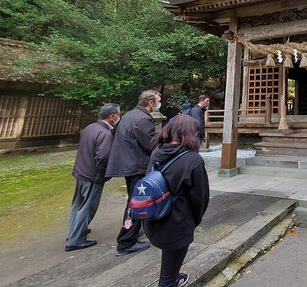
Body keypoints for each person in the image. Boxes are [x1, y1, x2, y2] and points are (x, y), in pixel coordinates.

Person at [144, 114, 210, 287]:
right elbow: (200, 198)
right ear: (190, 133)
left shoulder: (156, 153)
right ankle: (170, 281)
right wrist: (194, 221)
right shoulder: (193, 160)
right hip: (177, 222)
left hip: (154, 217)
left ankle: (173, 276)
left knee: (170, 262)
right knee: (167, 277)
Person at [106, 90, 161, 256]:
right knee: (137, 202)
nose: (159, 104)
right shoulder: (142, 119)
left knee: (135, 201)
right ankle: (126, 240)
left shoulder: (131, 115)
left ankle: (133, 230)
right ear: (150, 102)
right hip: (136, 165)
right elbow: (151, 143)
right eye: (158, 101)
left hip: (130, 163)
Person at [65, 103, 120, 251]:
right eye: (117, 115)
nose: (118, 117)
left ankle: (73, 231)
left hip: (80, 171)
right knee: (87, 206)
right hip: (92, 174)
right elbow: (103, 157)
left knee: (77, 204)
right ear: (112, 116)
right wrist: (105, 173)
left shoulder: (90, 128)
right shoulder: (104, 133)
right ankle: (76, 240)